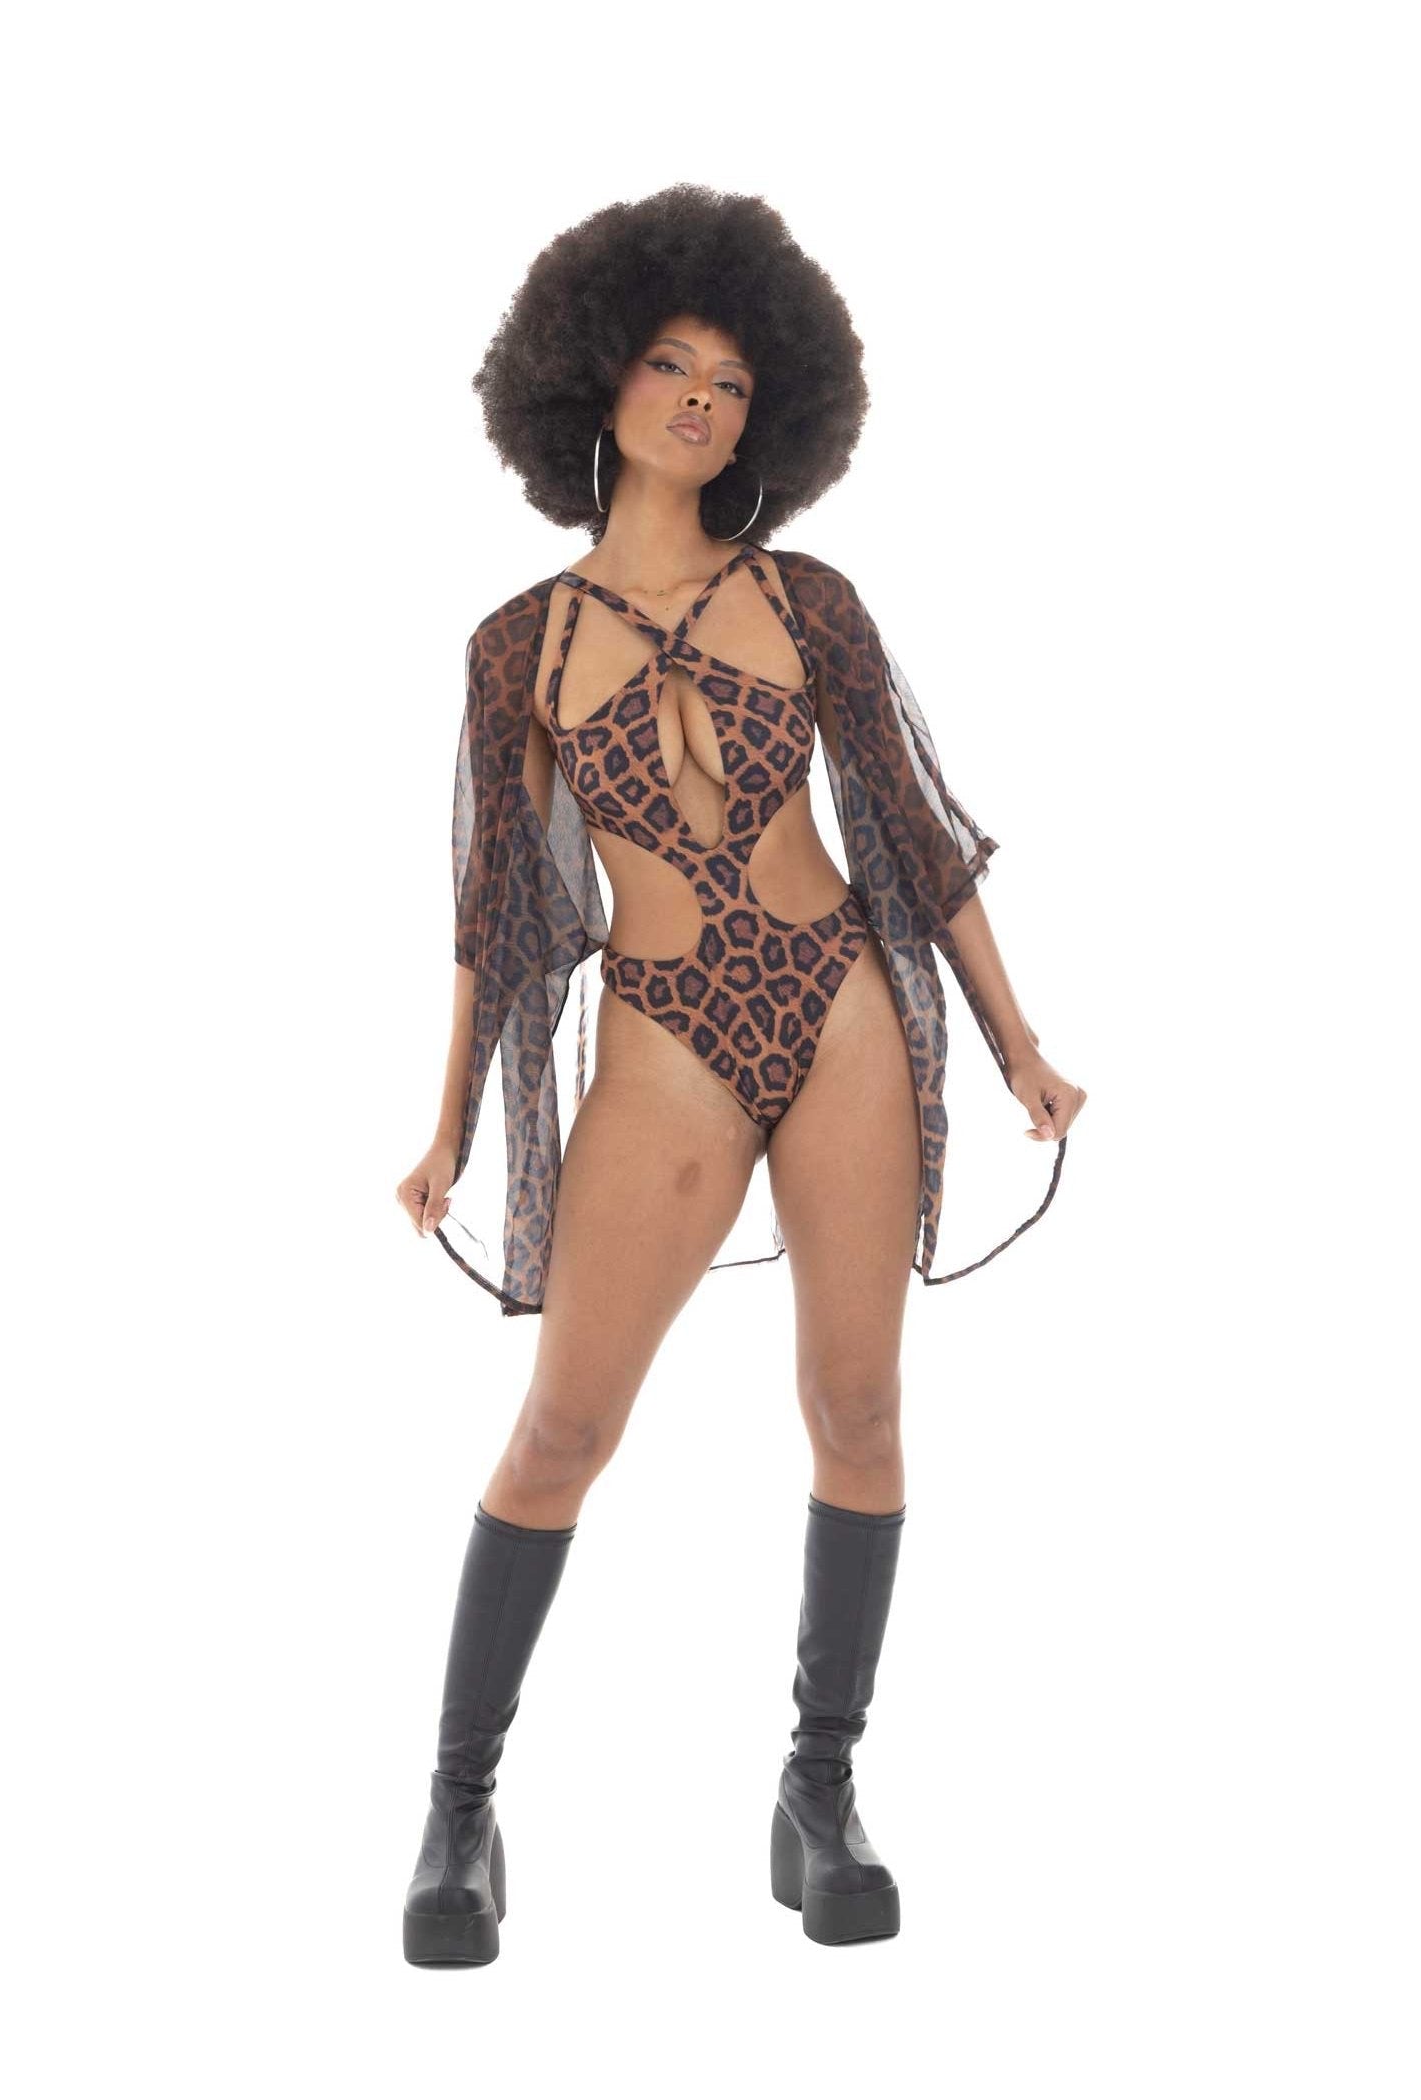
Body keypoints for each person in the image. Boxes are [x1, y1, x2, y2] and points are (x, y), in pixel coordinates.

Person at [395, 184, 1087, 1964]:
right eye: (669, 364)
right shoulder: (518, 648)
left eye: (732, 379)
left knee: (859, 1411)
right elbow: (495, 908)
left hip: (836, 1004)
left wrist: (1019, 1045)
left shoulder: (810, 599)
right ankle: (459, 1812)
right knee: (563, 1430)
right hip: (667, 1037)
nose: (702, 398)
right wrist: (447, 1122)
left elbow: (916, 834)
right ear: (590, 380)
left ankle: (820, 1788)